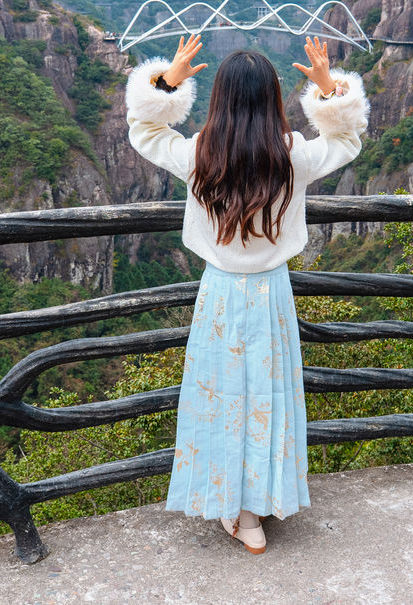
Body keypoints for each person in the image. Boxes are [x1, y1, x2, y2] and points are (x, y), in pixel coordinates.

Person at [125, 34, 369, 554]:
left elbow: (145, 129)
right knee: (267, 396)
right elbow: (348, 143)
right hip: (271, 294)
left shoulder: (198, 154)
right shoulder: (292, 156)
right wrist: (329, 89)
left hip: (218, 297)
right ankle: (258, 504)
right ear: (274, 98)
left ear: (219, 100)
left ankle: (234, 509)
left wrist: (168, 81)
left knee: (221, 399)